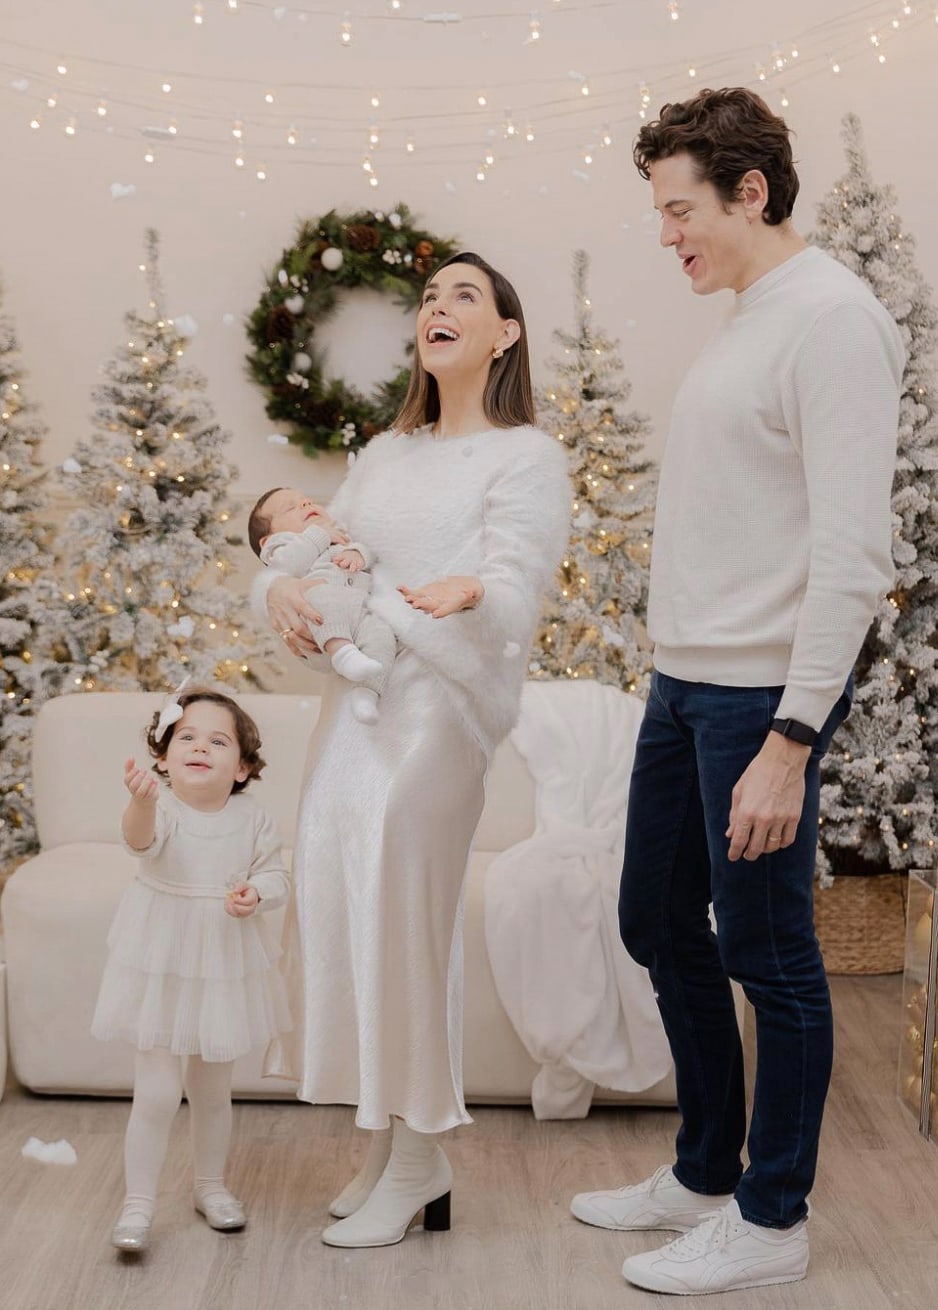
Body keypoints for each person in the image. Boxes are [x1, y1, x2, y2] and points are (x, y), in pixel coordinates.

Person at [571, 88, 904, 1295]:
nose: (666, 236)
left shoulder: (831, 322)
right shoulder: (752, 316)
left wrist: (788, 738)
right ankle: (704, 1167)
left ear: (747, 190)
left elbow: (852, 555)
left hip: (755, 699)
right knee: (656, 923)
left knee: (767, 955)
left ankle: (770, 1218)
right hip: (683, 684)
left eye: (677, 209)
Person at [255, 251, 570, 1249]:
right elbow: (321, 548)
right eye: (430, 297)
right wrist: (281, 594)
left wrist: (472, 591)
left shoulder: (527, 455)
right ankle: (390, 1147)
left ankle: (425, 1146)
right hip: (359, 707)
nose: (439, 307)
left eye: (463, 296)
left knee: (402, 912)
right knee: (344, 903)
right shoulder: (385, 452)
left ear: (503, 333)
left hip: (440, 708)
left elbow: (520, 584)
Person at [92, 685, 291, 1254]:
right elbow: (140, 841)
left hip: (223, 962)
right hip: (161, 961)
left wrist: (258, 892)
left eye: (218, 740)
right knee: (156, 1091)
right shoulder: (164, 808)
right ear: (163, 756)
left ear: (243, 767)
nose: (200, 747)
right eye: (187, 736)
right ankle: (138, 1202)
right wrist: (142, 801)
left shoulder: (252, 817)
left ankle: (210, 1186)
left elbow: (277, 875)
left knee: (212, 1090)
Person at [248, 487, 396, 724]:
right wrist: (319, 535)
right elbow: (287, 566)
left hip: (358, 614)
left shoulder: (340, 532)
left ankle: (366, 693)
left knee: (383, 634)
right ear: (268, 539)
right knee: (319, 592)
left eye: (307, 501)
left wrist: (358, 554)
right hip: (317, 631)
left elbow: (365, 549)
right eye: (291, 507)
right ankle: (342, 653)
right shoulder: (282, 546)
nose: (306, 505)